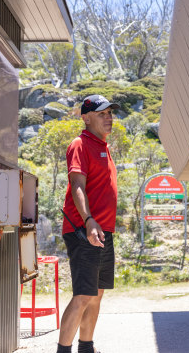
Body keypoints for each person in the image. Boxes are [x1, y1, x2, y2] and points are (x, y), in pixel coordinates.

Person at [57, 95, 120, 353]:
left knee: (97, 293)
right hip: (84, 230)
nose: (109, 117)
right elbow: (77, 186)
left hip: (102, 231)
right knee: (83, 295)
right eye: (102, 113)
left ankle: (86, 347)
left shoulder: (103, 147)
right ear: (86, 117)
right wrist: (88, 220)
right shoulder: (80, 144)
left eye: (110, 113)